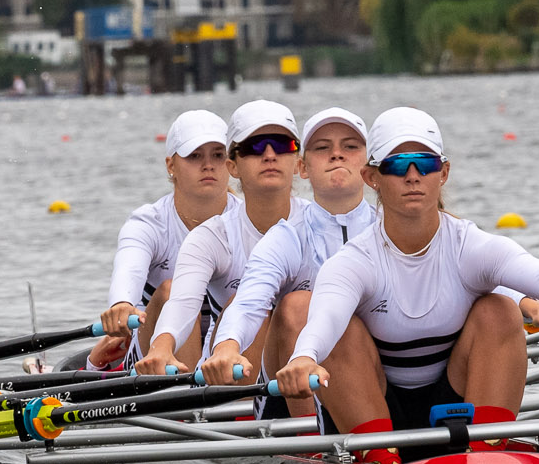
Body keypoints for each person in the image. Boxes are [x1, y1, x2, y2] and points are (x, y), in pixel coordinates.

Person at [276, 107, 539, 460]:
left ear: (444, 172)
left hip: (451, 404)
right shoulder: (355, 261)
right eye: (396, 165)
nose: (412, 175)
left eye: (425, 163)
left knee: (499, 310)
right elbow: (324, 318)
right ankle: (379, 460)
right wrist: (304, 358)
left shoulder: (469, 245)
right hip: (376, 409)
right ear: (372, 177)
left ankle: (485, 453)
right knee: (341, 330)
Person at [197, 106, 376, 412]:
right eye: (322, 148)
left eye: (350, 146)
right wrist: (227, 345)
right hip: (296, 386)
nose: (337, 155)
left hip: (380, 376)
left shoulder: (392, 230)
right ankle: (313, 449)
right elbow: (249, 301)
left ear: (369, 168)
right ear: (303, 168)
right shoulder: (286, 236)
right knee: (297, 305)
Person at [135, 99, 304, 375]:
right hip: (238, 375)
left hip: (309, 368)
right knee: (247, 303)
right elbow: (182, 303)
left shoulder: (320, 227)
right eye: (254, 147)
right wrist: (162, 346)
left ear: (298, 162)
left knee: (298, 307)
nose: (270, 155)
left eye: (284, 144)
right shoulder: (211, 237)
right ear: (233, 167)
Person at [94, 109, 229, 369]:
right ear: (171, 165)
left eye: (218, 155)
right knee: (171, 291)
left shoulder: (244, 221)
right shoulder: (149, 223)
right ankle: (191, 399)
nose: (208, 164)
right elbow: (129, 268)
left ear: (231, 163)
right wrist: (121, 304)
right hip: (153, 352)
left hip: (225, 349)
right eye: (194, 156)